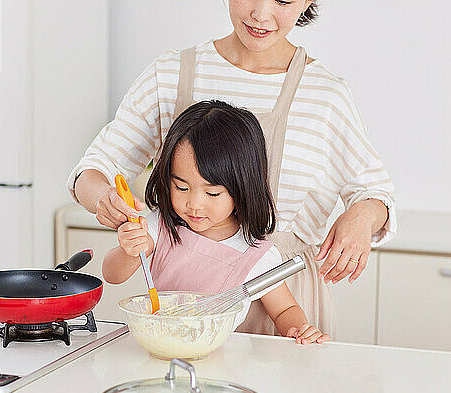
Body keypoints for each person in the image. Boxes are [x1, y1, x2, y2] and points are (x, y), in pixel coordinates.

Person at [68, 0, 396, 337]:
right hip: (183, 314)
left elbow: (376, 193)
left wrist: (363, 215)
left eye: (283, 0)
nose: (261, 13)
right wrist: (104, 199)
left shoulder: (326, 94)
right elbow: (94, 170)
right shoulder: (170, 74)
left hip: (283, 298)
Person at [103, 100, 329, 344]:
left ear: (241, 188)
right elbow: (112, 274)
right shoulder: (160, 226)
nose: (194, 204)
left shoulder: (255, 254)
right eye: (181, 187)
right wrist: (128, 250)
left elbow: (284, 310)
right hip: (161, 346)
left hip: (221, 359)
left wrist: (298, 329)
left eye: (212, 193)